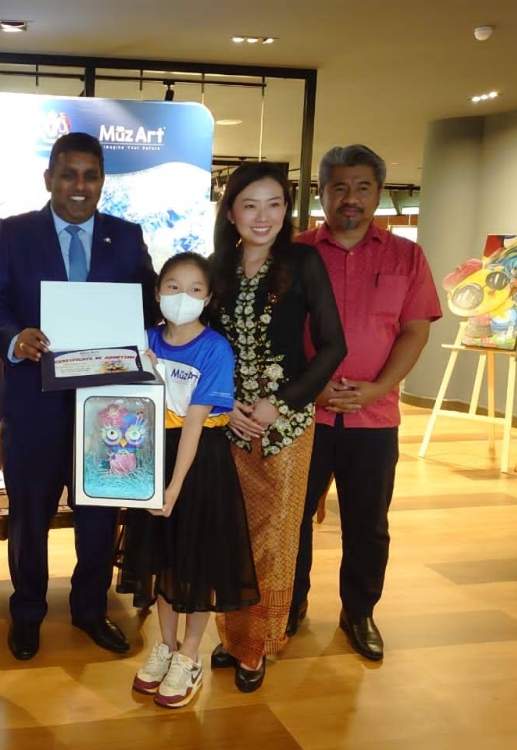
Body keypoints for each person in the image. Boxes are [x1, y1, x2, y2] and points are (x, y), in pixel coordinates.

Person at [0, 132, 158, 660]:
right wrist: (13, 337)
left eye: (91, 175)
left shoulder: (125, 237)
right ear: (49, 178)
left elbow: (147, 306)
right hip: (33, 403)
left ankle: (89, 610)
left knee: (99, 514)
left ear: (102, 181)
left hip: (107, 409)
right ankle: (27, 612)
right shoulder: (14, 233)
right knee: (30, 516)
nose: (80, 186)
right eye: (69, 174)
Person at [290, 145, 441, 661]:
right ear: (321, 192)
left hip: (374, 417)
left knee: (368, 523)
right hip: (302, 415)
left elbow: (415, 331)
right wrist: (310, 384)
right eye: (338, 187)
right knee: (293, 516)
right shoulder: (296, 252)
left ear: (379, 193)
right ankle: (289, 608)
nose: (349, 198)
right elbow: (281, 335)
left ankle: (359, 612)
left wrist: (377, 389)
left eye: (361, 188)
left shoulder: (406, 256)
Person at [209, 162, 347, 692]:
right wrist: (227, 404)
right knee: (232, 536)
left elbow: (334, 345)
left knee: (275, 538)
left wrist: (279, 403)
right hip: (228, 422)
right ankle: (231, 634)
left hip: (285, 425)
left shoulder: (303, 261)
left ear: (286, 210)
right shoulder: (217, 267)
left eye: (273, 204)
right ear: (230, 212)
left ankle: (257, 647)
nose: (262, 216)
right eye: (250, 205)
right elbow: (204, 347)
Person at [116, 252, 259, 709]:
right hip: (153, 457)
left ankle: (189, 656)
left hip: (199, 465)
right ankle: (165, 645)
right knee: (162, 558)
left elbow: (194, 423)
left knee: (197, 560)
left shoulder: (214, 348)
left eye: (196, 289)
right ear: (158, 293)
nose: (184, 297)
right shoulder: (143, 339)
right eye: (173, 287)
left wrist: (174, 487)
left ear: (209, 297)